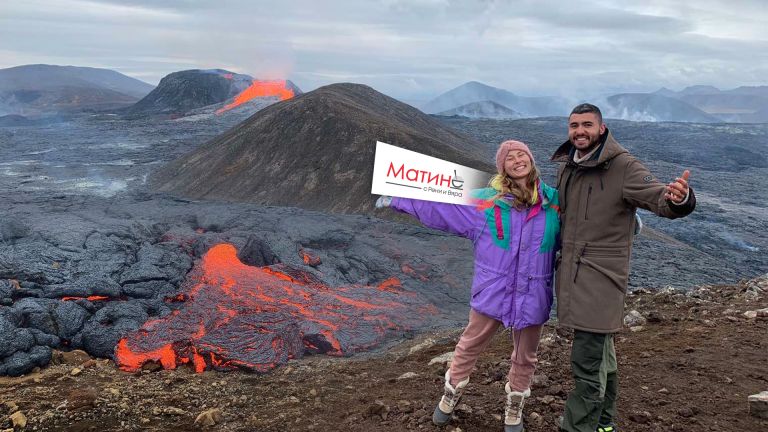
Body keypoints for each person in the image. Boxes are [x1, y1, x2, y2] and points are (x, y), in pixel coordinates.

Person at [376, 140, 560, 432]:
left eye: (521, 154)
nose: (517, 160)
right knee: (468, 346)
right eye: (509, 158)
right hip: (493, 291)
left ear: (531, 159)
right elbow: (443, 207)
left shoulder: (555, 204)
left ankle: (515, 406)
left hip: (533, 294)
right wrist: (400, 200)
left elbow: (586, 221)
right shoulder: (486, 202)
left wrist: (619, 225)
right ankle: (450, 395)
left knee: (525, 356)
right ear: (503, 168)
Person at [552, 103, 696, 432]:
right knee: (603, 357)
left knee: (587, 364)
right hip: (574, 276)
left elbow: (661, 199)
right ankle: (604, 423)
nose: (579, 131)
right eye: (574, 125)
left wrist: (679, 198)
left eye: (587, 124)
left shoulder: (623, 167)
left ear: (602, 129)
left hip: (600, 280)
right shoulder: (569, 168)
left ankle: (576, 428)